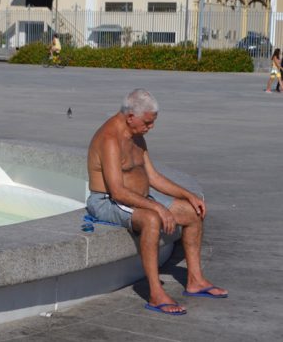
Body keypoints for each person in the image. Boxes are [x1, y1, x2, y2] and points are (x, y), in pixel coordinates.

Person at [86, 89, 227, 315]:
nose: (150, 128)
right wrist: (157, 207)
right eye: (148, 123)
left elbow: (153, 177)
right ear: (130, 116)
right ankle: (155, 293)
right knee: (151, 219)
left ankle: (195, 280)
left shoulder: (136, 135)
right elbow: (118, 192)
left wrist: (188, 194)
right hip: (106, 201)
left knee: (192, 212)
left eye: (152, 123)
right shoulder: (110, 139)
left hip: (139, 198)